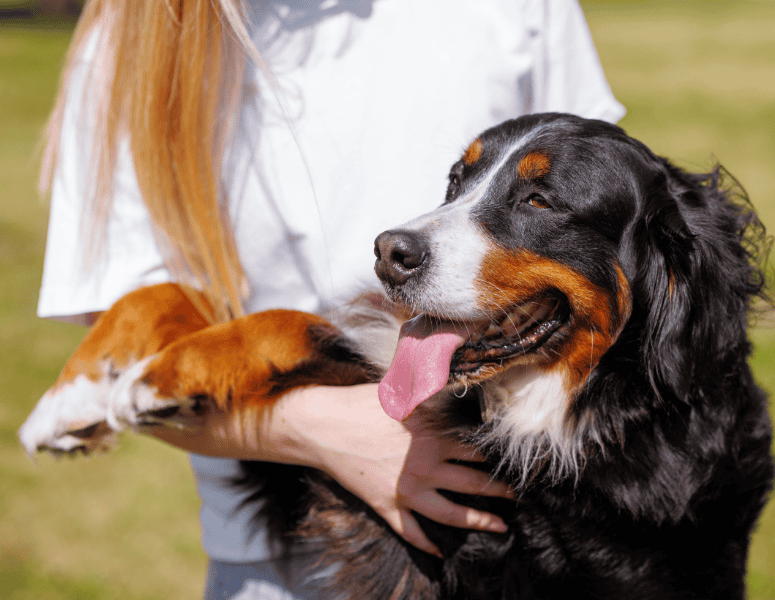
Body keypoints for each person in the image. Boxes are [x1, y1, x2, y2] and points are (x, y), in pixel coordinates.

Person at [37, 0, 625, 598]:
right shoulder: (137, 30)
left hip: (554, 531)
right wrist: (333, 433)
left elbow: (608, 215)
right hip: (289, 548)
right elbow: (137, 374)